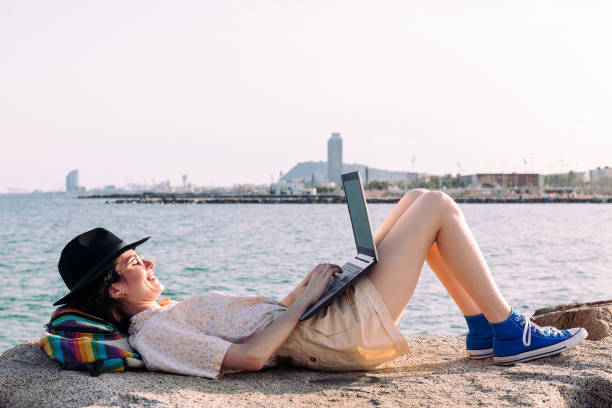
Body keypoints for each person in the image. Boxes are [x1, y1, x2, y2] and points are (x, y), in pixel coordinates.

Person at [53, 189, 587, 378]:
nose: (147, 264)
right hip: (333, 337)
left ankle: (481, 329)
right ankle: (507, 330)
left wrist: (299, 291)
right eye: (132, 263)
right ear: (115, 290)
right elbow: (251, 358)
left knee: (413, 203)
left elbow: (252, 329)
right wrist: (306, 300)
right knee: (435, 208)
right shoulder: (153, 332)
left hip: (317, 322)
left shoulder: (162, 311)